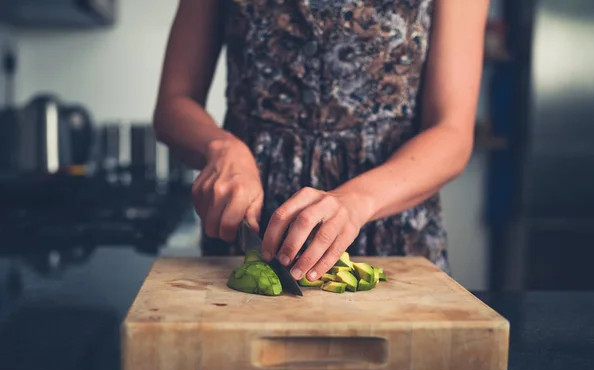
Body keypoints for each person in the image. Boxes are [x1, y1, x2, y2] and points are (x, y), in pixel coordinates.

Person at [153, 0, 488, 283]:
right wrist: (222, 148)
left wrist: (357, 201)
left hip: (393, 226)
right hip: (252, 228)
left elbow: (452, 133)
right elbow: (174, 104)